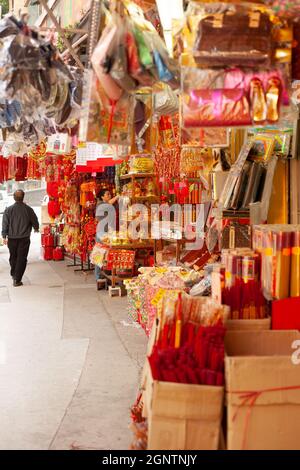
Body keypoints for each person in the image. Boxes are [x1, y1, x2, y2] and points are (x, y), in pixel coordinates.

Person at [1, 190, 39, 287]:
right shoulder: (28, 209)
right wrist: (36, 228)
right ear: (23, 197)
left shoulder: (8, 210)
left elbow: (5, 224)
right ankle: (17, 278)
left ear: (14, 197)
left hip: (12, 238)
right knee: (22, 258)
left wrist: (4, 236)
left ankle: (14, 275)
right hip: (24, 238)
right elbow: (35, 220)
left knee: (13, 257)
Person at [95, 188, 119, 281]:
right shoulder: (101, 205)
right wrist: (118, 196)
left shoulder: (110, 205)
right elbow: (109, 204)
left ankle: (106, 274)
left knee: (108, 254)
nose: (109, 196)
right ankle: (98, 276)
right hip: (102, 232)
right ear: (102, 197)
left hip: (109, 232)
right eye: (107, 194)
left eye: (110, 194)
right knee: (99, 253)